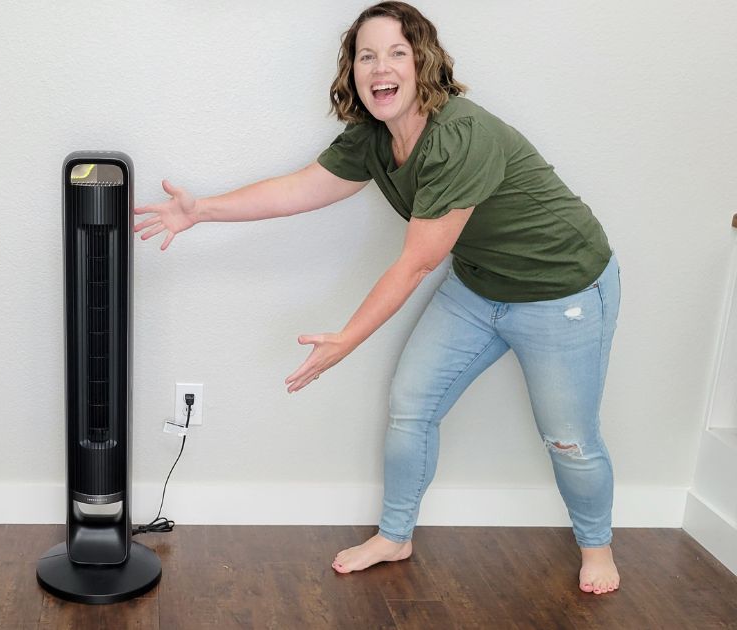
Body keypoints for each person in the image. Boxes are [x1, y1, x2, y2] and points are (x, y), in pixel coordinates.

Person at [133, 1, 621, 595]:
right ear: (353, 71)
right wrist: (201, 210)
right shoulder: (372, 137)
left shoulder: (459, 135)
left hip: (561, 290)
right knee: (411, 405)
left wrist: (347, 339)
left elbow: (418, 261)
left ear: (423, 64)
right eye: (367, 55)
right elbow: (301, 188)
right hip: (478, 287)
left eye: (397, 52)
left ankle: (597, 547)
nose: (380, 67)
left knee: (568, 438)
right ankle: (395, 535)